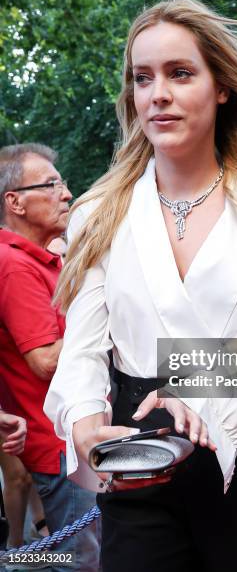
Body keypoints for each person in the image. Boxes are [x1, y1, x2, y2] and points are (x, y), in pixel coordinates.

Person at [45, 0, 237, 572]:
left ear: (221, 86)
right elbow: (81, 349)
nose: (158, 94)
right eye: (142, 78)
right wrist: (82, 422)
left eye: (180, 73)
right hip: (140, 457)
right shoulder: (99, 213)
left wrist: (199, 381)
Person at [0, 144, 100, 571]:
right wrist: (104, 316)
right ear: (15, 201)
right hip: (57, 441)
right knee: (78, 560)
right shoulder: (14, 265)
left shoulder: (41, 260)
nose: (66, 193)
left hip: (66, 436)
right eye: (52, 184)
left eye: (64, 183)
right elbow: (46, 360)